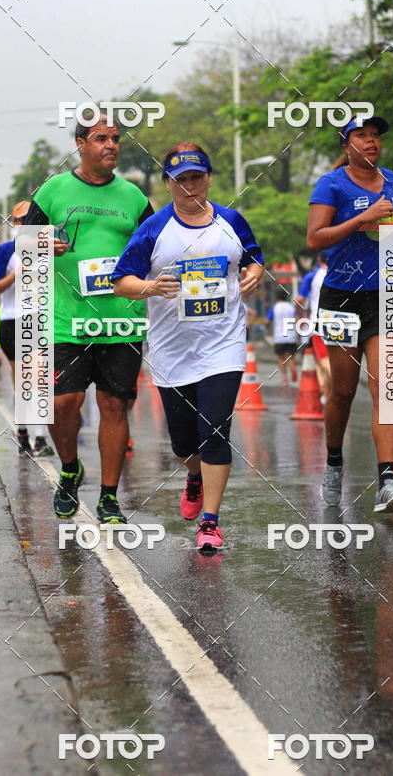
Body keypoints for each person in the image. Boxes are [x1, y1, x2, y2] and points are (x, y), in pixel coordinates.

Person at [112, 142, 264, 553]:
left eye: (197, 177)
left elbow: (253, 258)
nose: (190, 186)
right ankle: (193, 475)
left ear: (209, 178)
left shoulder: (231, 221)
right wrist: (150, 287)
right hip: (171, 349)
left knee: (215, 430)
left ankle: (211, 521)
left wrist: (254, 273)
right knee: (183, 441)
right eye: (181, 180)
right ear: (168, 184)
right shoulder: (154, 229)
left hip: (223, 343)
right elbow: (120, 280)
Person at [23, 112, 154, 524]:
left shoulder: (133, 197)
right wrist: (45, 246)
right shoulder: (53, 190)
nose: (111, 145)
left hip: (121, 320)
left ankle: (110, 497)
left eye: (115, 138)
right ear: (81, 144)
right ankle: (69, 469)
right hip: (66, 319)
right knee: (64, 402)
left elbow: (155, 248)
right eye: (101, 138)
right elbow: (25, 249)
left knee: (114, 406)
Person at [307, 115, 393, 514]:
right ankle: (334, 460)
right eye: (361, 136)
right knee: (344, 390)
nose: (371, 142)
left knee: (389, 386)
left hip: (386, 296)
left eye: (375, 136)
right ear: (346, 144)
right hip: (340, 297)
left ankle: (387, 480)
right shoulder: (331, 185)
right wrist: (360, 221)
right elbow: (314, 238)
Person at [0, 201, 55, 457]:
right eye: (20, 220)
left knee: (38, 381)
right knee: (24, 383)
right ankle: (26, 432)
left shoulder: (48, 248)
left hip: (40, 319)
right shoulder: (6, 250)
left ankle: (38, 438)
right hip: (13, 321)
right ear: (13, 224)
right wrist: (17, 275)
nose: (26, 224)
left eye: (31, 219)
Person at [297, 254, 331, 400]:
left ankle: (331, 391)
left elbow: (299, 299)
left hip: (319, 323)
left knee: (324, 360)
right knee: (325, 359)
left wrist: (301, 316)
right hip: (343, 322)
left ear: (318, 260)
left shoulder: (312, 276)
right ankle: (326, 393)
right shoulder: (340, 273)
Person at [267, 287, 298, 384]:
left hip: (279, 337)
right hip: (291, 336)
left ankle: (285, 379)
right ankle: (293, 367)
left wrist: (267, 329)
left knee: (281, 358)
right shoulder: (291, 307)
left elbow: (267, 321)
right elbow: (297, 319)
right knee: (290, 357)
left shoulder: (275, 307)